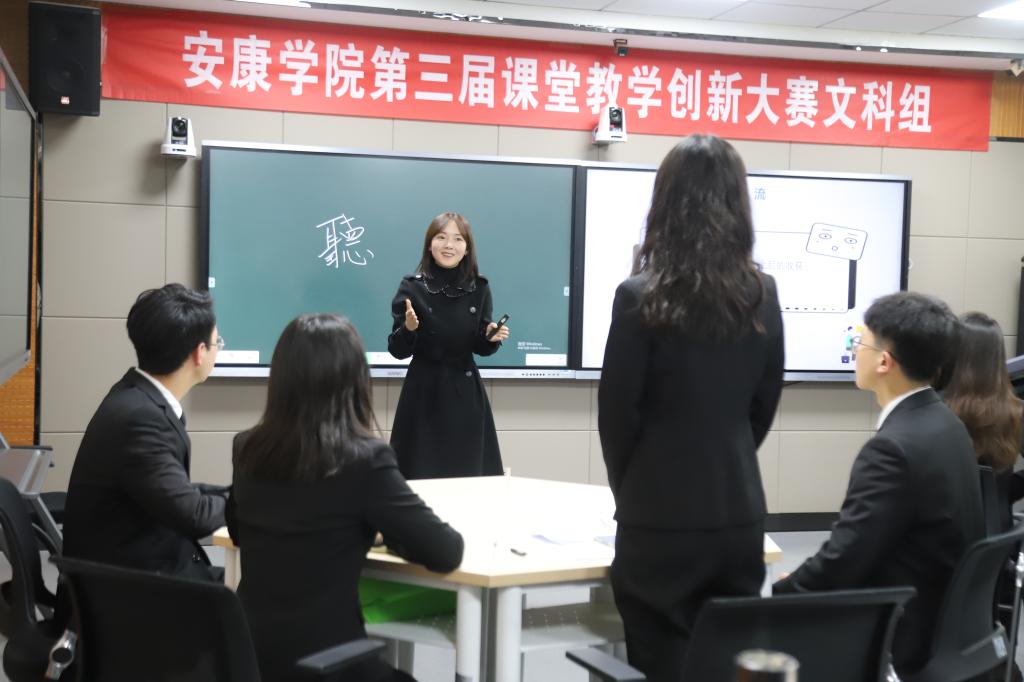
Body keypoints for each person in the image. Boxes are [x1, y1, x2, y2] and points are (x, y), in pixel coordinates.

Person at [598, 134, 785, 682]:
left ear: (665, 203)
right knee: (726, 660)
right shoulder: (763, 293)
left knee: (661, 659)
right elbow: (762, 408)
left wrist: (636, 490)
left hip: (657, 516)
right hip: (738, 510)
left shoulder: (639, 295)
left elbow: (618, 420)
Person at [228, 313, 464, 682]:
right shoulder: (364, 459)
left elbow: (239, 530)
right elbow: (446, 550)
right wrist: (383, 533)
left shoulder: (248, 447)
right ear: (354, 380)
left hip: (253, 661)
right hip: (332, 665)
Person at [774, 292, 985, 675]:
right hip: (945, 627)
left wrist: (781, 593)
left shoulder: (893, 449)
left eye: (860, 341)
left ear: (884, 361)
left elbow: (844, 560)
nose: (855, 350)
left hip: (898, 633)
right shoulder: (947, 424)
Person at [63, 284, 229, 581]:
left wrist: (235, 494)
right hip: (128, 589)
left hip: (135, 566)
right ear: (199, 353)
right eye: (218, 342)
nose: (218, 349)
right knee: (257, 594)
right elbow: (193, 516)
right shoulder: (141, 419)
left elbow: (176, 492)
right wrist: (251, 502)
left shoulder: (134, 394)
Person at [387, 211, 509, 479]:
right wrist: (409, 329)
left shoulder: (479, 287)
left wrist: (489, 337)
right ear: (430, 245)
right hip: (423, 393)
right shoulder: (412, 287)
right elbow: (397, 350)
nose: (449, 245)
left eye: (457, 239)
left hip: (465, 394)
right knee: (419, 475)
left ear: (467, 249)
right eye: (441, 237)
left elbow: (480, 346)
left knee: (468, 477)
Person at [941, 311, 1024, 530]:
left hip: (946, 534)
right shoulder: (1015, 410)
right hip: (998, 537)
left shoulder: (935, 410)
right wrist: (1002, 493)